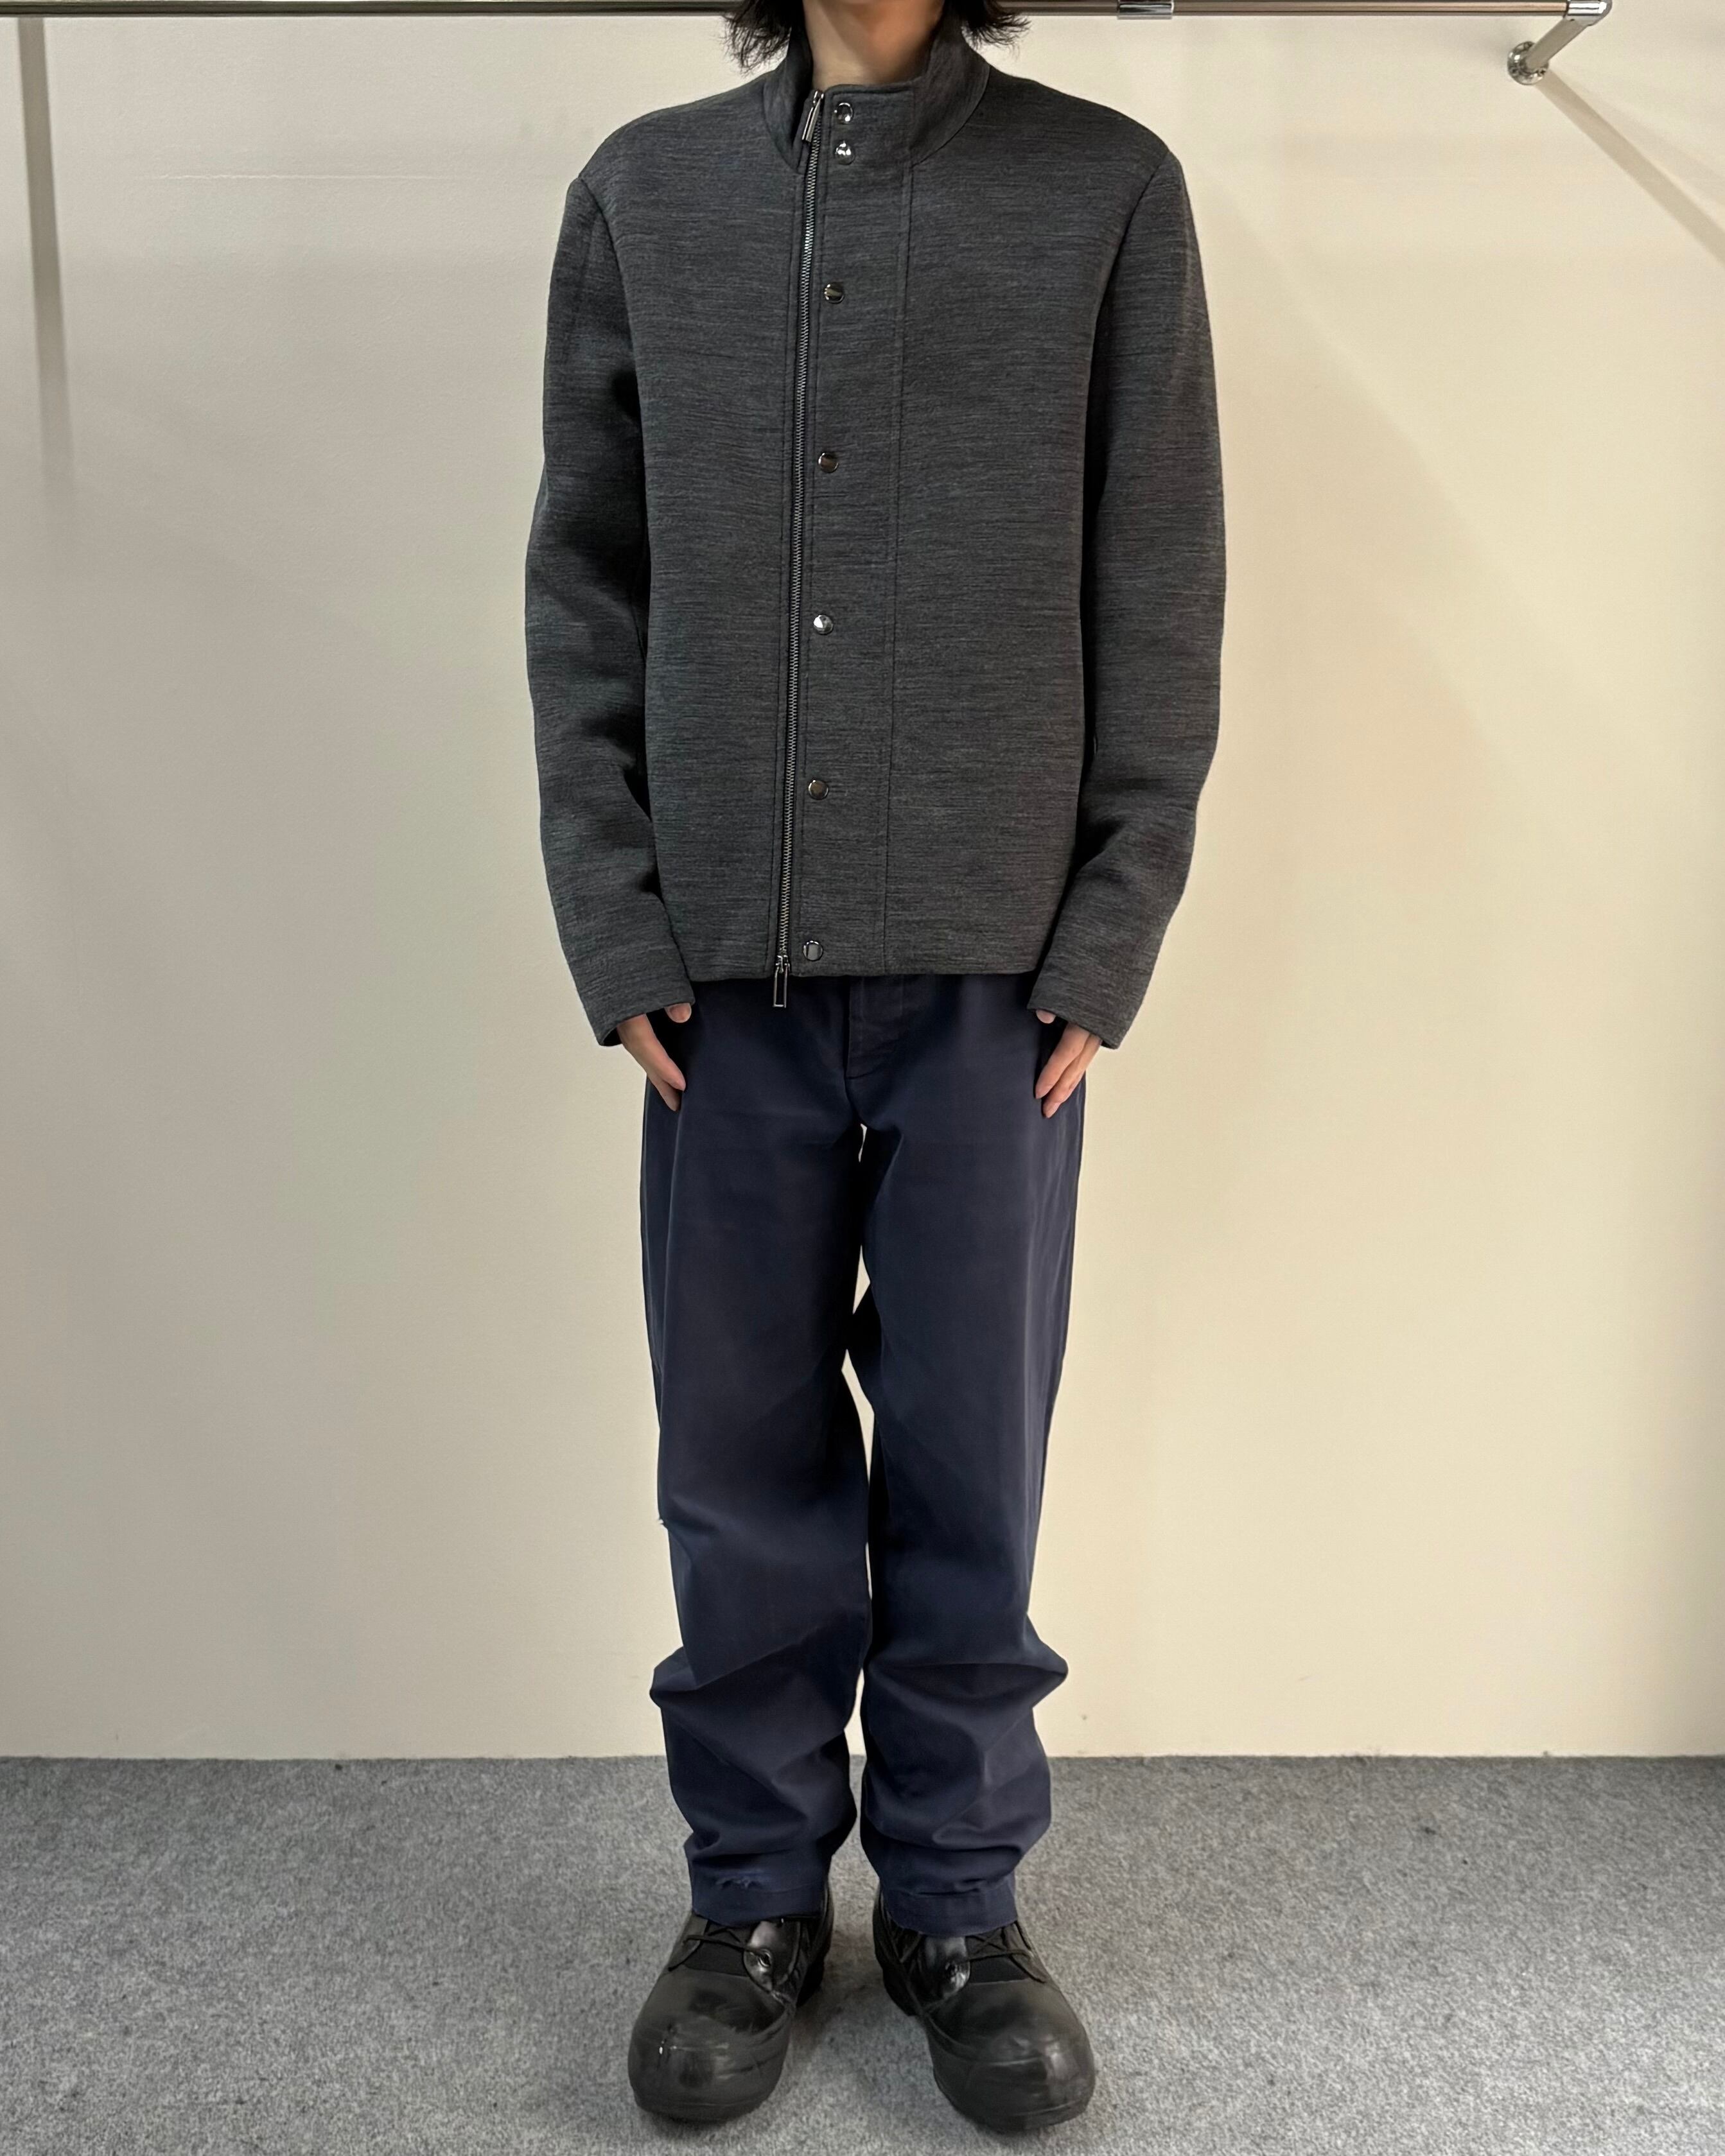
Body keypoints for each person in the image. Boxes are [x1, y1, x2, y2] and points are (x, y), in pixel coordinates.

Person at [525, 0, 1224, 2130]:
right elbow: (584, 584)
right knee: (736, 1463)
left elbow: (1161, 576)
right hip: (717, 984)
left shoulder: (1105, 192)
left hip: (997, 988)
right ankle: (749, 1899)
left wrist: (1110, 930)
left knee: (968, 1461)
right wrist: (616, 922)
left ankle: (955, 1904)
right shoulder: (646, 196)